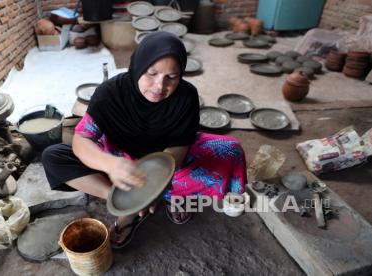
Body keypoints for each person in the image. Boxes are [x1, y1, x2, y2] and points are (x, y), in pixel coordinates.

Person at [42, 31, 247, 248]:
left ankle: (169, 197)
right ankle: (123, 203)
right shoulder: (110, 93)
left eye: (172, 77)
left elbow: (177, 150)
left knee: (231, 150)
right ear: (138, 66)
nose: (160, 86)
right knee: (54, 157)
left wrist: (152, 185)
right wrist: (111, 165)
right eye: (152, 73)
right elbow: (82, 139)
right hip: (120, 158)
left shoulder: (186, 96)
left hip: (164, 165)